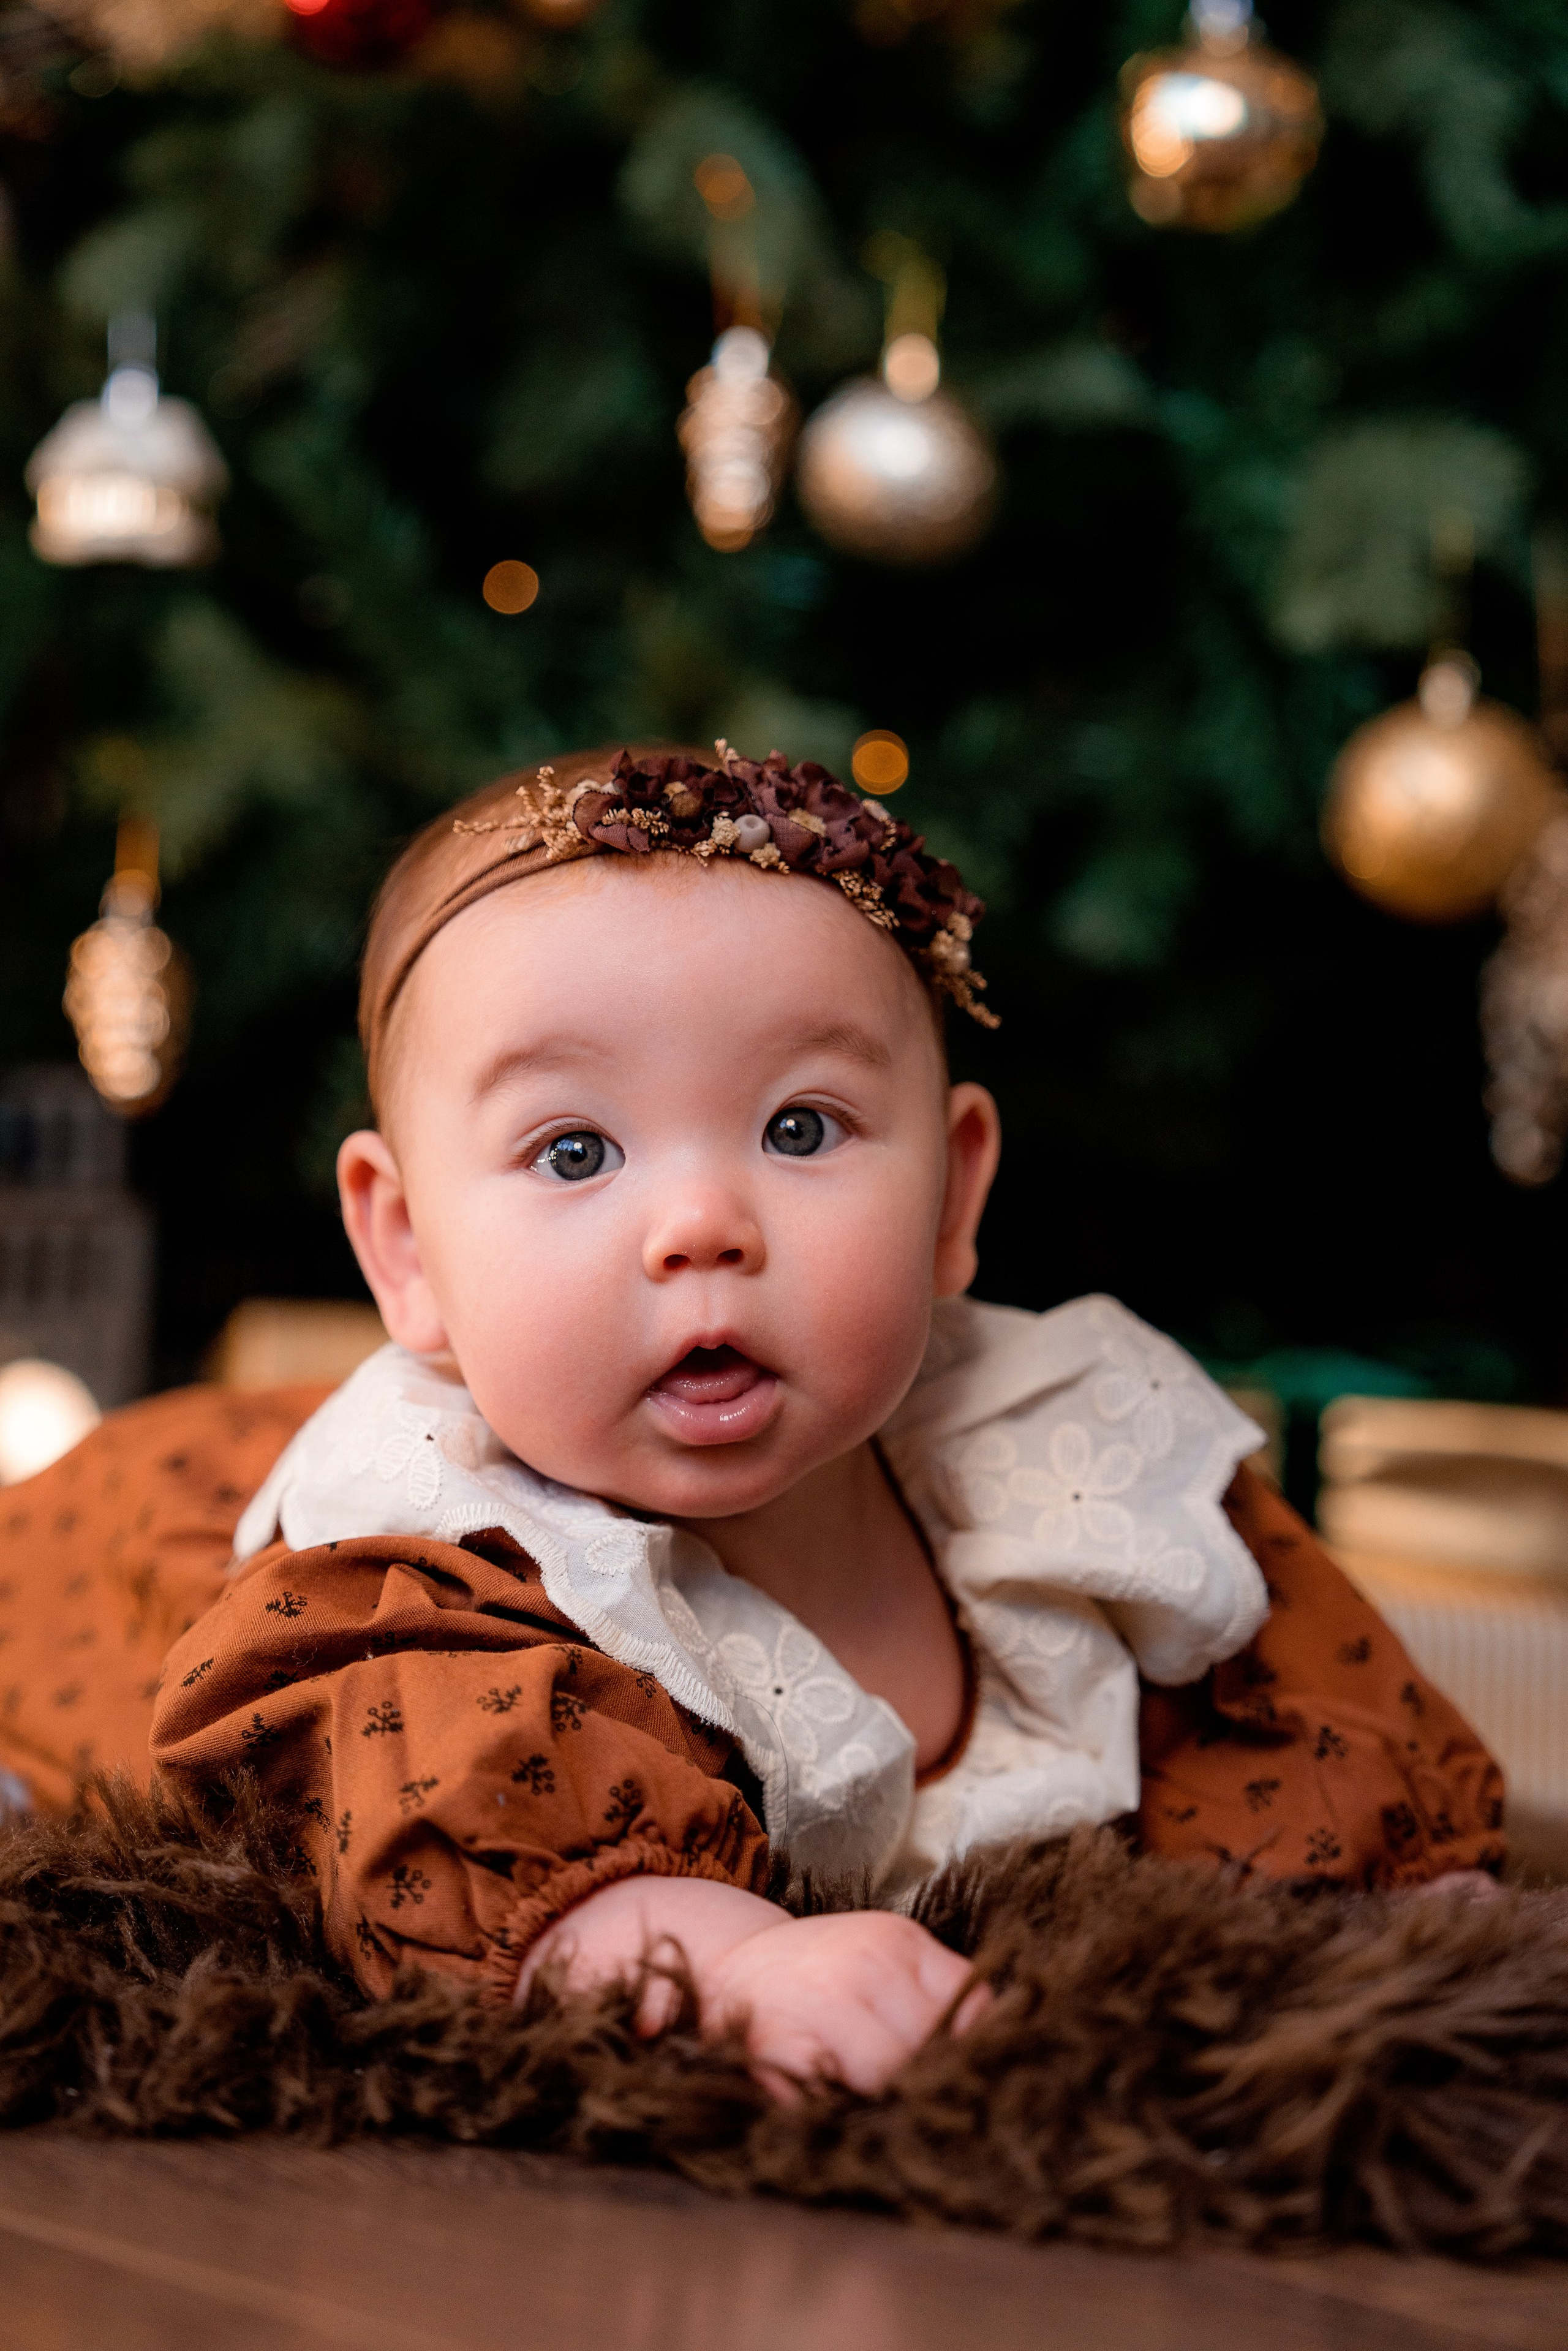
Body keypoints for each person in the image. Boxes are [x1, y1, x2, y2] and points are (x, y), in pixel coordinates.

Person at [1, 744, 1503, 2096]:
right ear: (405, 1246)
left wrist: (1411, 1887)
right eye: (575, 1148)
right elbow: (446, 1798)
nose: (700, 1223)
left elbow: (1285, 1676)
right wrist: (712, 1956)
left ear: (952, 1196)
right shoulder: (405, 1569)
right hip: (124, 1528)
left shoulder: (1068, 1455)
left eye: (800, 1128)